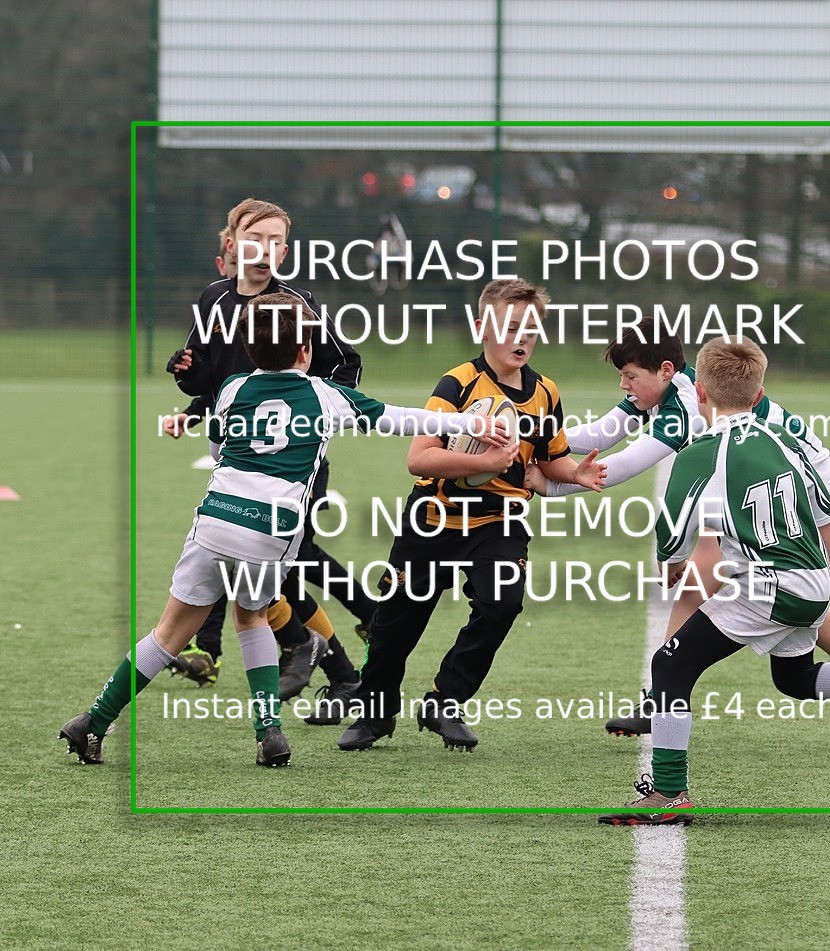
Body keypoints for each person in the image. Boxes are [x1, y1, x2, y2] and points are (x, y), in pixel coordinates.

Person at [60, 293, 511, 767]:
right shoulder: (325, 395)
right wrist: (467, 420)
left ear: (250, 350)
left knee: (169, 632)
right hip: (269, 531)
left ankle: (94, 721)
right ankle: (268, 733)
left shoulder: (232, 387)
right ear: (305, 351)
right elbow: (398, 419)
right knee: (252, 616)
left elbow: (220, 450)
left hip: (215, 521)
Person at [598, 338, 830, 825]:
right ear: (760, 389)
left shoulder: (702, 452)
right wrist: (821, 576)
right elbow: (826, 513)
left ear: (699, 390)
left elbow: (671, 531)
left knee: (670, 667)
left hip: (769, 588)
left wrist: (671, 566)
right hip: (812, 581)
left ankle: (668, 794)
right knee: (794, 679)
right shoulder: (787, 438)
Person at [525, 317, 830, 737]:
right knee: (774, 586)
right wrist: (528, 431)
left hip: (788, 469)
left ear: (665, 371)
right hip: (745, 468)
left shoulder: (688, 407)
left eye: (629, 376)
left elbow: (618, 467)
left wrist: (546, 484)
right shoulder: (669, 389)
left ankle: (662, 697)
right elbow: (600, 434)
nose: (624, 385)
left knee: (716, 580)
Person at [338, 278, 607, 752]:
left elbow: (551, 461)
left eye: (531, 328)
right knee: (395, 625)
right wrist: (484, 462)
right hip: (434, 519)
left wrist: (576, 474)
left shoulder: (545, 391)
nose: (521, 338)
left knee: (501, 605)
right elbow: (419, 458)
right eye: (510, 327)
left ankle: (445, 702)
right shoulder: (459, 381)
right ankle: (375, 715)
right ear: (482, 326)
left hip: (499, 521)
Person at [164, 199, 376, 693]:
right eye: (257, 239)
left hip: (294, 461)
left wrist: (317, 408)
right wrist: (187, 373)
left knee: (279, 560)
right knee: (269, 565)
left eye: (277, 240)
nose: (267, 249)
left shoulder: (297, 304)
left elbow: (346, 362)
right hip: (233, 458)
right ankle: (343, 667)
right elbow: (207, 380)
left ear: (285, 249)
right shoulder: (213, 299)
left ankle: (345, 638)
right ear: (233, 245)